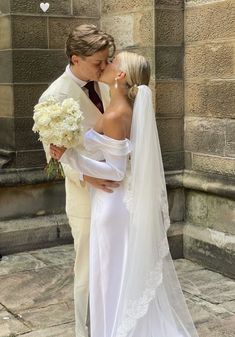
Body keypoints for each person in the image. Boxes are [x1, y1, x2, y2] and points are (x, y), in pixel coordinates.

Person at [50, 51, 199, 337]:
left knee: (110, 276)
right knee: (112, 275)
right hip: (112, 201)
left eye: (112, 62)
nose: (104, 65)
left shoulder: (118, 113)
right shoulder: (119, 107)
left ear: (120, 76)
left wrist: (69, 157)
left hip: (112, 202)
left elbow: (116, 171)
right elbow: (104, 152)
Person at [38, 24, 118, 337]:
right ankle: (84, 331)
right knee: (86, 268)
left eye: (107, 60)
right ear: (75, 59)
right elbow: (54, 156)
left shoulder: (106, 83)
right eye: (99, 62)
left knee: (113, 264)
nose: (106, 67)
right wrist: (87, 175)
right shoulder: (54, 97)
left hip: (115, 191)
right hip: (85, 196)